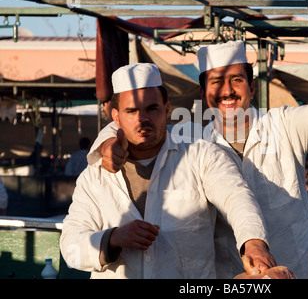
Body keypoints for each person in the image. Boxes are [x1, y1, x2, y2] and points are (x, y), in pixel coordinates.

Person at [90, 41, 308, 278]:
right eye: (215, 82)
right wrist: (110, 137)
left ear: (251, 88)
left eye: (236, 80)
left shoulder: (284, 125)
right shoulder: (194, 143)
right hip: (236, 276)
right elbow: (141, 125)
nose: (227, 90)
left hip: (299, 269)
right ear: (203, 94)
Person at [60, 63, 275, 279]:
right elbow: (70, 246)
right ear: (116, 117)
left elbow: (236, 197)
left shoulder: (200, 156)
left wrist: (253, 243)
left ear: (166, 109)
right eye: (131, 111)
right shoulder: (95, 175)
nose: (142, 119)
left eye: (151, 109)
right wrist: (113, 238)